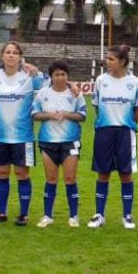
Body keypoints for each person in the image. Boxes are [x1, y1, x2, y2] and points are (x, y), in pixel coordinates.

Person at [0, 42, 46, 226]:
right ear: (2, 56)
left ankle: (23, 214)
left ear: (20, 56)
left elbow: (56, 81)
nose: (11, 55)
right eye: (8, 52)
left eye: (15, 53)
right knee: (2, 173)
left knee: (22, 174)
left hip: (23, 135)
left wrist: (72, 87)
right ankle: (1, 212)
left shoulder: (31, 76)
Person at [87, 45, 138, 229]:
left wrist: (126, 123)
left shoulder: (135, 83)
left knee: (125, 174)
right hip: (104, 130)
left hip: (125, 132)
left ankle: (127, 215)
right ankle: (99, 215)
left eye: (111, 59)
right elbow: (96, 106)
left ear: (122, 62)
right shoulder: (101, 80)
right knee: (103, 173)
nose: (107, 62)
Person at [32, 60, 87, 227]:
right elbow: (34, 114)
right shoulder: (42, 93)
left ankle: (74, 216)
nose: (60, 77)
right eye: (57, 74)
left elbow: (83, 115)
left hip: (70, 142)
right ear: (51, 76)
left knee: (70, 179)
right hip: (48, 142)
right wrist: (49, 116)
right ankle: (48, 216)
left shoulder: (75, 94)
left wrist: (66, 114)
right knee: (51, 179)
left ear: (67, 76)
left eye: (63, 74)